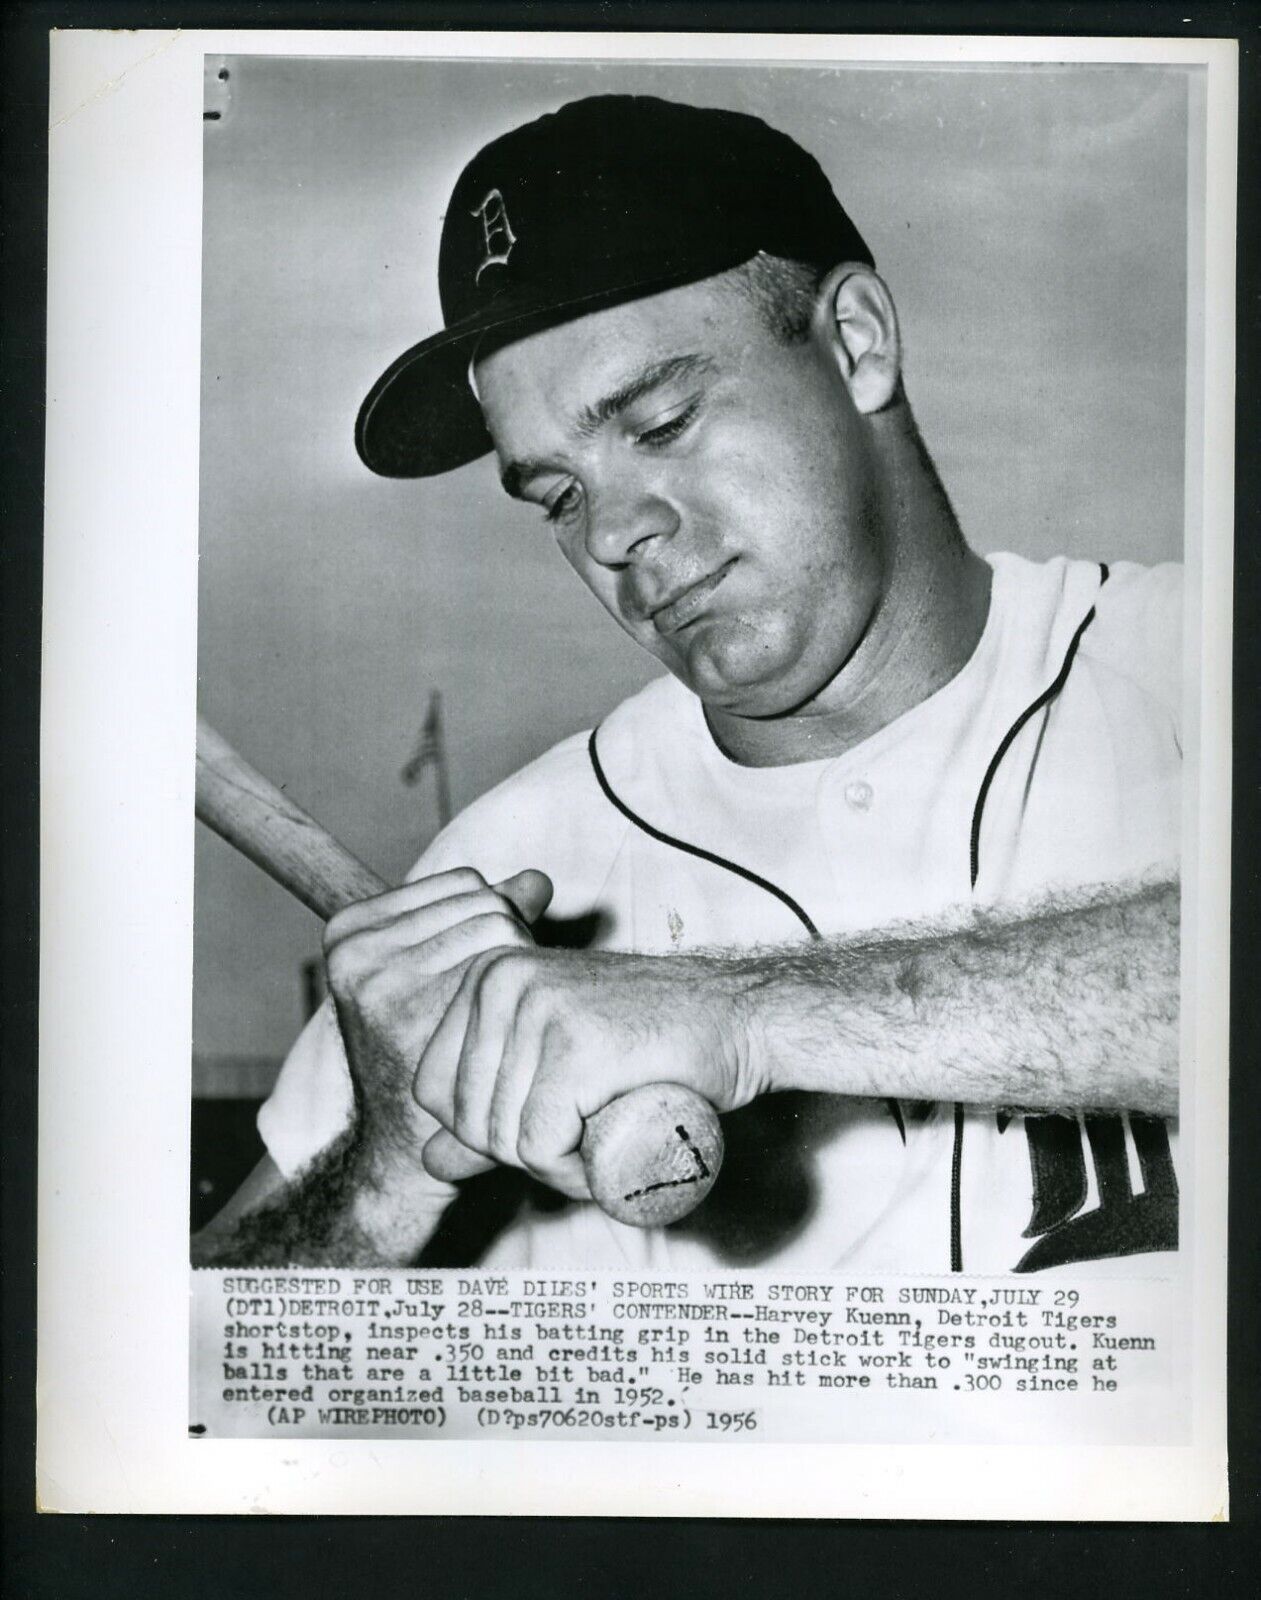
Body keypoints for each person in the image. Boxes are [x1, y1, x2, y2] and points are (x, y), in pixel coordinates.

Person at [194, 94, 1181, 1275]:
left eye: (660, 423)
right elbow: (184, 1384)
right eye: (555, 494)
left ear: (858, 343)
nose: (613, 530)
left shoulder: (1196, 666)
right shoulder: (505, 863)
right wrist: (385, 1174)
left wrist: (739, 1012)